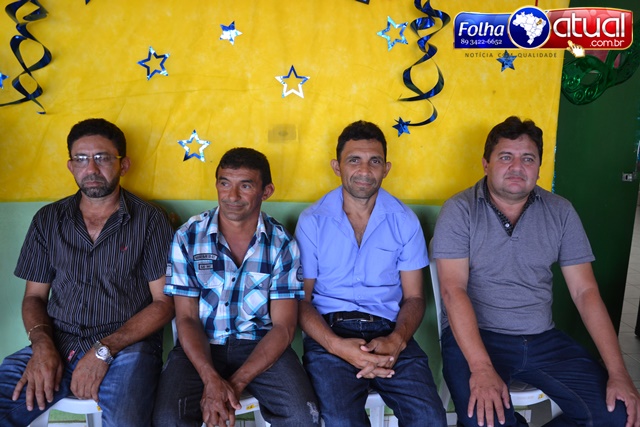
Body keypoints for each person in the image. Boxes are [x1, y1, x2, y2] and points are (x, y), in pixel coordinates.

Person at [432, 116, 640, 427]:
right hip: (478, 338)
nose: (517, 167)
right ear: (486, 164)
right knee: (486, 420)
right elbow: (453, 290)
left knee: (620, 415)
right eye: (506, 157)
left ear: (539, 168)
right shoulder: (460, 210)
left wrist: (619, 372)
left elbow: (585, 292)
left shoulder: (560, 211)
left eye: (528, 159)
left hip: (543, 339)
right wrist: (481, 367)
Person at [0, 118, 174, 427]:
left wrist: (104, 350)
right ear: (70, 166)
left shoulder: (150, 220)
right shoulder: (48, 219)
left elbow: (164, 303)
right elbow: (34, 297)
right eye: (81, 159)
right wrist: (41, 344)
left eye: (102, 158)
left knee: (125, 422)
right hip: (57, 342)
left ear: (123, 165)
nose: (91, 168)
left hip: (126, 348)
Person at [295, 120, 447, 427]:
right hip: (331, 335)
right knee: (341, 421)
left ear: (386, 169)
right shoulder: (313, 221)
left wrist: (397, 341)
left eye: (374, 161)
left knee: (429, 418)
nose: (365, 170)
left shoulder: (404, 221)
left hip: (389, 332)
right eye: (354, 160)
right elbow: (302, 302)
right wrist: (338, 347)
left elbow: (415, 298)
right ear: (336, 166)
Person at [153, 147, 319, 427]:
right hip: (201, 344)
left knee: (303, 417)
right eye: (224, 183)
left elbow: (284, 327)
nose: (232, 196)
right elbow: (186, 318)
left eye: (246, 186)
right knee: (169, 419)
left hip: (260, 345)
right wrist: (210, 379)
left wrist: (235, 383)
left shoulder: (282, 244)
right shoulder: (188, 236)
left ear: (266, 192)